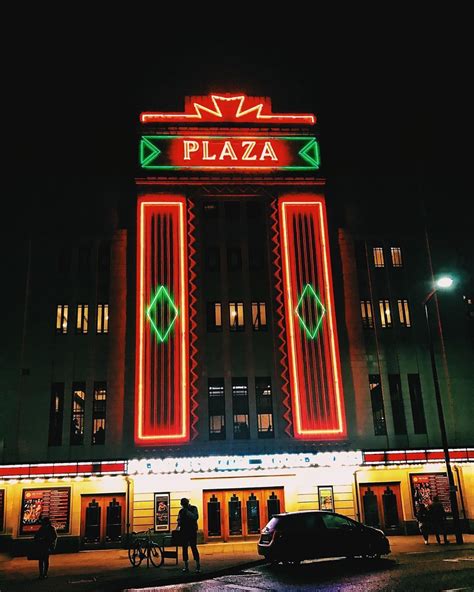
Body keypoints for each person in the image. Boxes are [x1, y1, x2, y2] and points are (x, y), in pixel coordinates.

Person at [177, 497, 200, 573]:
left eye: (184, 504)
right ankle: (186, 566)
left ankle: (198, 565)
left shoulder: (193, 508)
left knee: (193, 547)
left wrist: (187, 512)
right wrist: (179, 522)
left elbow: (195, 517)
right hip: (184, 531)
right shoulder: (181, 511)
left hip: (192, 531)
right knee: (184, 548)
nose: (183, 506)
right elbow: (179, 520)